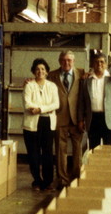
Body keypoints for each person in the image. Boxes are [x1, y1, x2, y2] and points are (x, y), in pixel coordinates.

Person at [47, 50, 85, 188]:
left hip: (77, 119)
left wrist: (83, 118)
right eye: (63, 60)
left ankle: (76, 178)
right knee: (60, 151)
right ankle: (62, 179)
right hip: (59, 118)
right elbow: (40, 81)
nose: (66, 63)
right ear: (59, 61)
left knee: (77, 150)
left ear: (74, 61)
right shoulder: (52, 75)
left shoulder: (82, 73)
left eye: (69, 60)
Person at [22, 58, 60, 191]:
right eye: (37, 69)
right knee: (33, 153)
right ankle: (37, 181)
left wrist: (40, 109)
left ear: (47, 71)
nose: (40, 71)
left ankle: (48, 182)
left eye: (43, 69)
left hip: (48, 123)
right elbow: (27, 104)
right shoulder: (29, 85)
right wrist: (45, 107)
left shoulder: (52, 86)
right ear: (33, 71)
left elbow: (56, 104)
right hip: (32, 124)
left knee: (48, 153)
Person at [78, 52, 111, 149]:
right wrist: (80, 119)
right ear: (92, 64)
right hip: (92, 119)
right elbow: (81, 101)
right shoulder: (86, 80)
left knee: (109, 149)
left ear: (106, 64)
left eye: (102, 62)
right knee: (94, 148)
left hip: (110, 119)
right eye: (96, 62)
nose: (99, 64)